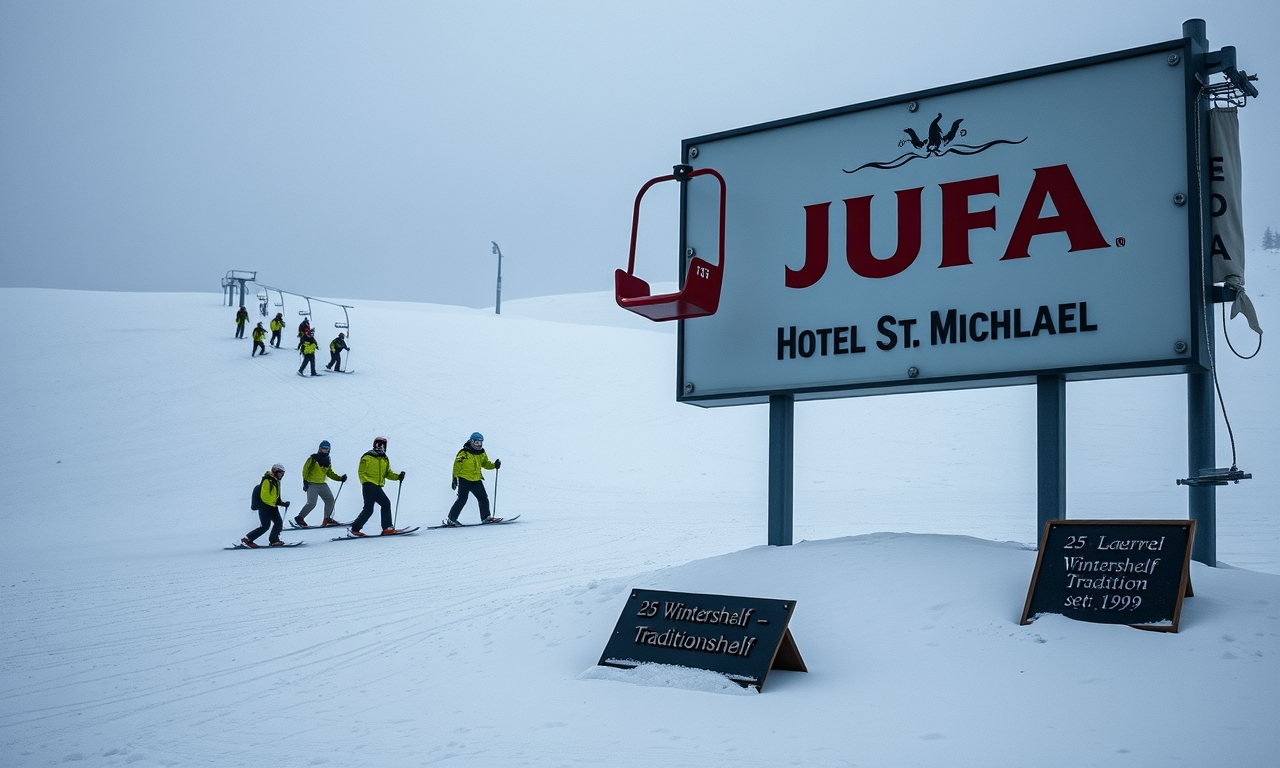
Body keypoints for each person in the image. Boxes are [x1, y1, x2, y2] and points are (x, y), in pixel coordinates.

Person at [350, 436, 406, 536]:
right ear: (374, 445)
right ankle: (387, 527)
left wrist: (398, 477)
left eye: (383, 445)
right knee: (385, 503)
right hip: (369, 485)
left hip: (376, 486)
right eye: (378, 444)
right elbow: (361, 472)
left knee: (368, 509)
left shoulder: (384, 459)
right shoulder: (367, 457)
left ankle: (355, 529)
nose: (380, 447)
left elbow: (387, 473)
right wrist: (366, 482)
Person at [443, 432, 502, 526]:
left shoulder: (481, 453)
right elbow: (456, 466)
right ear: (471, 442)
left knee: (483, 498)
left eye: (480, 442)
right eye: (476, 442)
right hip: (464, 479)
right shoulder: (464, 453)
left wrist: (494, 465)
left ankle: (486, 518)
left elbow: (485, 463)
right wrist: (454, 478)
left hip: (476, 479)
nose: (478, 444)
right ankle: (451, 519)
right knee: (462, 499)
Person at [294, 440, 348, 527]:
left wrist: (340, 478)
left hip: (322, 484)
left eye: (326, 449)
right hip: (311, 483)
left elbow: (329, 473)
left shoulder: (327, 460)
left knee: (330, 500)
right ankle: (299, 518)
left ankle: (327, 519)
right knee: (312, 503)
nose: (325, 450)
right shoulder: (313, 458)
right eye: (323, 449)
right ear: (319, 449)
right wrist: (305, 481)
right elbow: (305, 470)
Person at [243, 463, 290, 547]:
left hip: (272, 507)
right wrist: (274, 503)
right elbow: (265, 497)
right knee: (265, 526)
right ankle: (247, 539)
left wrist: (283, 503)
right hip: (264, 507)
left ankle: (274, 540)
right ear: (275, 472)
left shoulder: (277, 482)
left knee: (278, 523)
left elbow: (276, 497)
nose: (282, 476)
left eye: (283, 474)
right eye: (280, 473)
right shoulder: (266, 480)